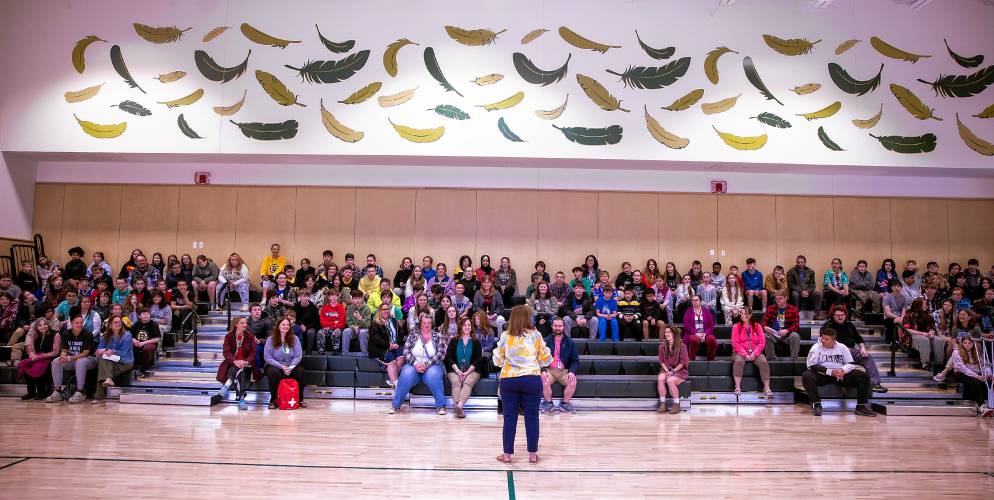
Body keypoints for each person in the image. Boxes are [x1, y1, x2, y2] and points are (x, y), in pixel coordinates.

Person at [494, 305, 552, 465]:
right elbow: (546, 358)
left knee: (509, 418)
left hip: (509, 380)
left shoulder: (506, 335)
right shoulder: (536, 335)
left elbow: (497, 359)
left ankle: (507, 456)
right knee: (532, 417)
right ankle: (532, 456)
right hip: (531, 379)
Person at [803, 328, 876, 417]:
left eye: (826, 339)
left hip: (839, 374)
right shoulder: (816, 347)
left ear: (834, 340)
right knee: (807, 375)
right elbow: (812, 365)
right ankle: (817, 405)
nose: (823, 341)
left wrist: (843, 370)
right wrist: (830, 372)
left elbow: (850, 364)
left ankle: (861, 407)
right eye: (822, 338)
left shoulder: (842, 347)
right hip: (823, 374)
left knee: (863, 376)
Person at [822, 305, 887, 393]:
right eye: (837, 315)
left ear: (845, 315)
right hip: (835, 353)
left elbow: (858, 338)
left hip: (851, 351)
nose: (840, 317)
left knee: (867, 357)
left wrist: (863, 348)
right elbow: (824, 341)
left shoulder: (849, 324)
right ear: (833, 316)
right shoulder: (828, 325)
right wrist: (843, 348)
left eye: (842, 315)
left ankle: (874, 383)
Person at [389, 315, 447, 414]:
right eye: (424, 323)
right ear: (420, 324)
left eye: (429, 323)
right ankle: (396, 405)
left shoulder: (438, 336)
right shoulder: (413, 335)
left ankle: (441, 406)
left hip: (433, 365)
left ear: (432, 324)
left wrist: (426, 364)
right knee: (406, 374)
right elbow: (406, 351)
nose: (427, 325)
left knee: (433, 376)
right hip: (413, 364)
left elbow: (441, 353)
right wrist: (415, 364)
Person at [45, 315, 95, 403]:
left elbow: (85, 353)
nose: (80, 324)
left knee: (80, 361)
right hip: (72, 359)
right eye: (77, 323)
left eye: (81, 322)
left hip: (89, 360)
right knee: (56, 361)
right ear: (71, 324)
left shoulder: (88, 334)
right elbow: (64, 350)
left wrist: (69, 358)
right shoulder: (66, 333)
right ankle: (57, 391)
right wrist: (63, 356)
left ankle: (80, 392)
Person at [216, 317, 259, 411]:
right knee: (240, 372)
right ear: (236, 324)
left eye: (246, 323)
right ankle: (242, 400)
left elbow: (253, 353)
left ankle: (226, 386)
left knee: (240, 368)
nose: (245, 325)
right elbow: (226, 352)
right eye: (242, 323)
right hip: (232, 363)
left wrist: (246, 361)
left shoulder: (250, 336)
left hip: (247, 363)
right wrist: (235, 361)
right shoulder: (229, 336)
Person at [539, 317, 580, 414]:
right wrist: (543, 370)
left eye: (560, 326)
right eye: (555, 326)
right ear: (552, 326)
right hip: (550, 370)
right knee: (543, 379)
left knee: (572, 381)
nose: (557, 328)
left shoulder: (570, 342)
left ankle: (565, 403)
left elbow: (575, 360)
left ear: (563, 327)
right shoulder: (546, 341)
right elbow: (540, 358)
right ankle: (549, 403)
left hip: (564, 371)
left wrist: (572, 372)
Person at [264, 316, 306, 409]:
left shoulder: (295, 338)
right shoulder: (270, 339)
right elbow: (267, 357)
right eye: (283, 324)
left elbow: (298, 356)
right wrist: (281, 366)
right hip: (275, 365)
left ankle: (300, 399)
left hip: (291, 364)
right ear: (278, 326)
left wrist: (290, 367)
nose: (286, 326)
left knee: (301, 371)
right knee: (272, 372)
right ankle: (274, 399)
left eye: (288, 325)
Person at [445, 317, 483, 418]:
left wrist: (466, 373)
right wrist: (457, 371)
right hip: (454, 369)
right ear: (460, 326)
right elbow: (449, 357)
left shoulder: (476, 342)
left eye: (469, 325)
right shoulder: (454, 341)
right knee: (456, 383)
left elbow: (477, 359)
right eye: (465, 325)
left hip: (472, 370)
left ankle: (459, 405)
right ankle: (458, 408)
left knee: (467, 382)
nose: (467, 327)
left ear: (472, 327)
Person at [92, 315, 134, 404]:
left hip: (124, 362)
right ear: (110, 324)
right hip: (110, 361)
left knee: (103, 367)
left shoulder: (127, 336)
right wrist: (103, 351)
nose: (118, 324)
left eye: (120, 322)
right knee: (103, 360)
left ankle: (100, 397)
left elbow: (123, 352)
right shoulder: (105, 336)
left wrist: (109, 351)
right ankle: (108, 379)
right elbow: (99, 350)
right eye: (115, 322)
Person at [16, 318, 61, 400]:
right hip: (38, 357)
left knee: (38, 365)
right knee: (24, 364)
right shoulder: (34, 334)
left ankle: (42, 392)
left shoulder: (55, 334)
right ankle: (31, 392)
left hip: (49, 357)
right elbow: (30, 348)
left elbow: (55, 352)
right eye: (40, 325)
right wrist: (32, 355)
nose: (43, 327)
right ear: (36, 327)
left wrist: (40, 357)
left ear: (48, 325)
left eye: (45, 324)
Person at [732, 309, 772, 397]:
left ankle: (767, 387)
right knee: (739, 361)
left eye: (745, 314)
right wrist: (745, 354)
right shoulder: (736, 327)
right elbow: (735, 343)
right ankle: (737, 387)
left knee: (763, 362)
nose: (743, 316)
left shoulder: (757, 326)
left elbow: (762, 342)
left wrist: (754, 354)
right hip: (740, 352)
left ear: (750, 315)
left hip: (755, 352)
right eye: (741, 314)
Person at [948, 336, 993, 416]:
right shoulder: (956, 352)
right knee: (973, 381)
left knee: (989, 381)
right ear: (962, 343)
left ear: (973, 344)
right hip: (961, 373)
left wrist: (989, 374)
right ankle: (982, 407)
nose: (967, 345)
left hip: (975, 373)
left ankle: (991, 404)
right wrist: (977, 376)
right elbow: (963, 368)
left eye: (969, 343)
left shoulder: (976, 351)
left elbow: (984, 365)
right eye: (965, 342)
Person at [368, 303, 406, 386]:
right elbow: (376, 339)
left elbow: (401, 333)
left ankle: (391, 380)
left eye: (387, 309)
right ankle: (396, 385)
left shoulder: (393, 321)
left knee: (402, 357)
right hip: (380, 348)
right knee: (392, 361)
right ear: (379, 311)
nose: (386, 311)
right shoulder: (375, 323)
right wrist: (388, 345)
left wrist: (397, 343)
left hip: (393, 346)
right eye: (384, 309)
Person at [904, 298, 946, 369]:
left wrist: (931, 332)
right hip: (912, 336)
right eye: (924, 304)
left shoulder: (928, 315)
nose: (926, 306)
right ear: (918, 306)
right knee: (924, 340)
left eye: (926, 304)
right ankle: (925, 363)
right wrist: (922, 333)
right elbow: (907, 329)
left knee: (938, 340)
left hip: (926, 334)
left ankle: (939, 363)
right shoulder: (909, 315)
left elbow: (932, 327)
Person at [656, 325, 688, 414]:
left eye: (669, 332)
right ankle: (663, 404)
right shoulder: (662, 346)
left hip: (679, 370)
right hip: (666, 369)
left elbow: (682, 363)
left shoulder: (682, 346)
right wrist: (667, 371)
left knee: (670, 380)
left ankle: (677, 405)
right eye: (665, 332)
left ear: (674, 334)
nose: (666, 334)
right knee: (660, 378)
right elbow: (661, 362)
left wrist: (673, 372)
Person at [761, 292, 801, 360]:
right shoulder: (771, 308)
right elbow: (763, 322)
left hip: (787, 335)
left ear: (786, 298)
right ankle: (771, 358)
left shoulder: (793, 309)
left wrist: (787, 330)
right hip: (773, 334)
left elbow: (796, 325)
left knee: (795, 336)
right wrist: (765, 327)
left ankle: (794, 359)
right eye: (776, 299)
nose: (778, 300)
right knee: (764, 335)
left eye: (780, 298)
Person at [682, 295, 718, 361]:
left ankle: (710, 360)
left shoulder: (706, 311)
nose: (694, 302)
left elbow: (711, 325)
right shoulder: (688, 311)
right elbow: (686, 325)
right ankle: (691, 359)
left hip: (705, 333)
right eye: (693, 300)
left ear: (700, 301)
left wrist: (705, 334)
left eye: (696, 300)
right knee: (694, 339)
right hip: (692, 334)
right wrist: (696, 333)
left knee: (712, 340)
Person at [130, 308, 161, 378]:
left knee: (148, 348)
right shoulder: (136, 325)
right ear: (139, 316)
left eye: (147, 313)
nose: (146, 315)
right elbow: (131, 336)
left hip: (149, 343)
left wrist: (143, 343)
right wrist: (134, 340)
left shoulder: (154, 324)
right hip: (137, 343)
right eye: (143, 314)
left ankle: (142, 369)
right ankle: (131, 366)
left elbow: (157, 339)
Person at [342, 290, 371, 356]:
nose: (357, 300)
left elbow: (368, 324)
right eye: (355, 298)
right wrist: (354, 327)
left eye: (359, 298)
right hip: (354, 329)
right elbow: (348, 322)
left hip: (364, 329)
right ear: (352, 299)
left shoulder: (366, 308)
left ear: (362, 298)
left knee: (362, 332)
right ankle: (345, 354)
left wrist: (360, 319)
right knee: (346, 331)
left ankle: (365, 354)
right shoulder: (349, 308)